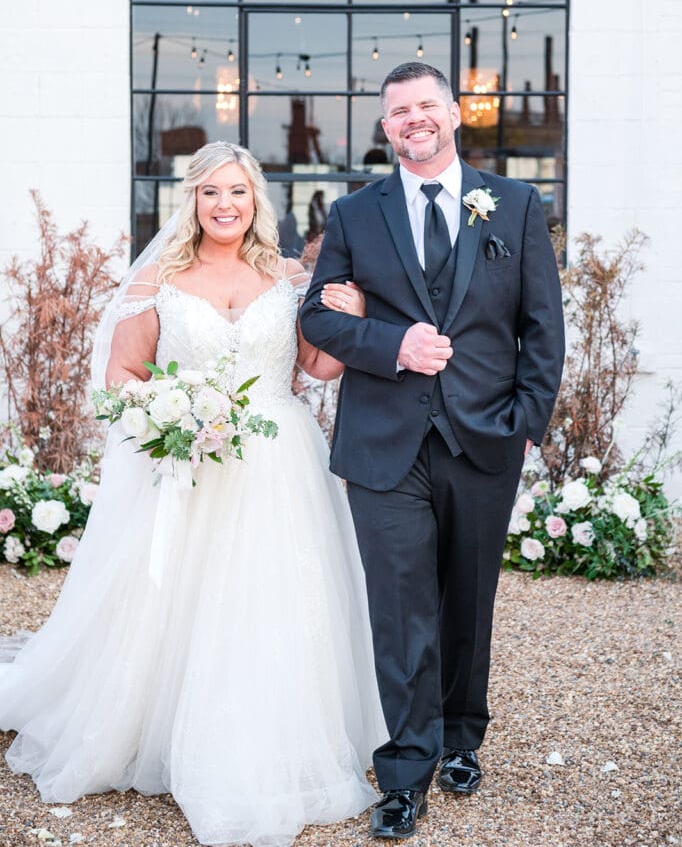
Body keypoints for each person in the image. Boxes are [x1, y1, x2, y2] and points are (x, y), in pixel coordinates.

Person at [0, 142, 387, 847]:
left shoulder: (289, 275)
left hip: (281, 461)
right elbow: (123, 375)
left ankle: (272, 737)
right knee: (182, 599)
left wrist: (352, 312)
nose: (225, 205)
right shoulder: (161, 278)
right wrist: (180, 408)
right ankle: (160, 728)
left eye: (237, 192)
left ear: (256, 201)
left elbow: (317, 367)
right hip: (193, 462)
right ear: (193, 202)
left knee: (277, 598)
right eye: (211, 193)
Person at [300, 62, 565, 840]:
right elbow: (319, 320)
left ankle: (461, 735)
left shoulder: (513, 205)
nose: (412, 120)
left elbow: (542, 325)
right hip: (383, 442)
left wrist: (525, 419)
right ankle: (405, 771)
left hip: (486, 436)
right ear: (385, 129)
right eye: (397, 112)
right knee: (400, 609)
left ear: (453, 114)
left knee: (467, 599)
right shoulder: (353, 214)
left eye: (425, 106)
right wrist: (393, 343)